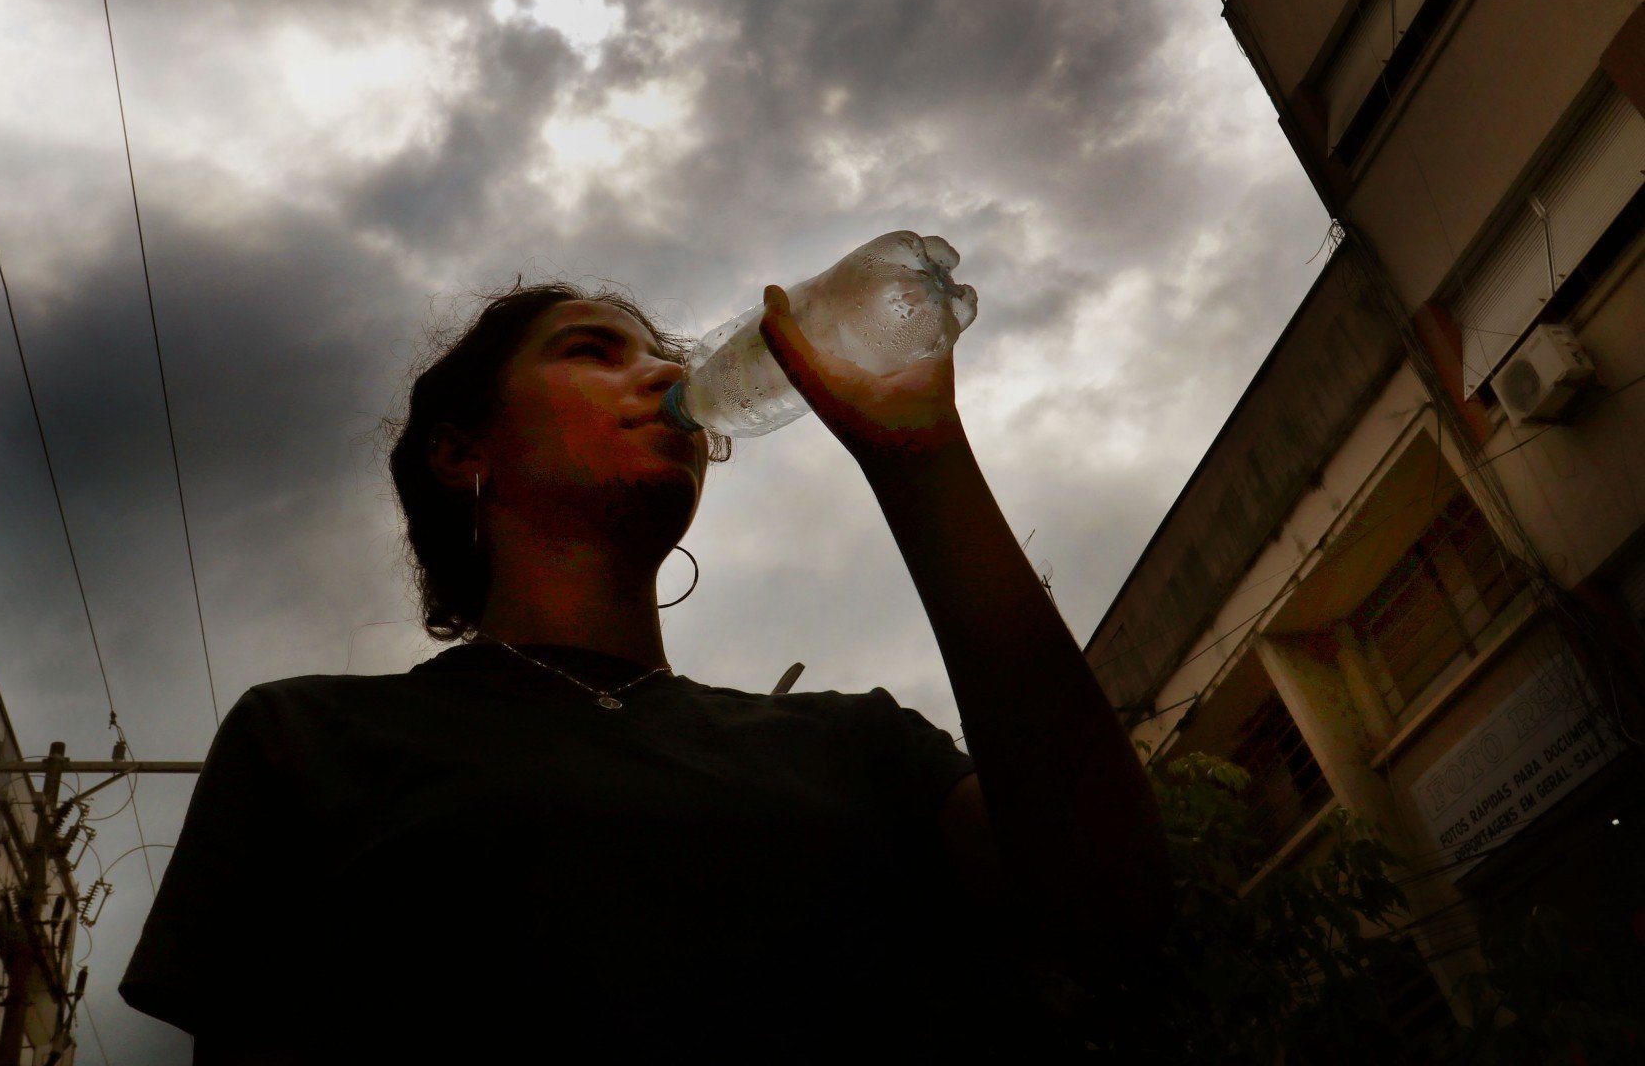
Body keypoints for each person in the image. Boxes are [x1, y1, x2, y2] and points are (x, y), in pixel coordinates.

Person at [119, 277, 1170, 1063]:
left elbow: (1112, 911)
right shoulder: (308, 740)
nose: (668, 375)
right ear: (459, 450)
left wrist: (924, 457)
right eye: (594, 350)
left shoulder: (862, 748)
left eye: (666, 354)